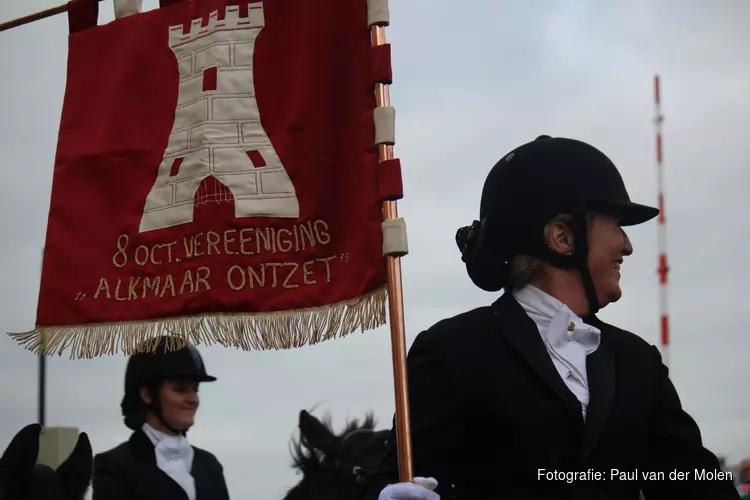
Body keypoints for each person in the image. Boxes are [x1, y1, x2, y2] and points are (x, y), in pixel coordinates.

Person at [358, 135, 740, 499]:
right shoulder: (452, 351)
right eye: (616, 225)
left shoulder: (638, 362)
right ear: (562, 237)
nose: (627, 244)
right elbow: (390, 478)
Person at [92, 335, 230, 500]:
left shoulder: (209, 465)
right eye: (180, 389)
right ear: (147, 394)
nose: (193, 399)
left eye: (195, 389)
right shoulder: (114, 466)